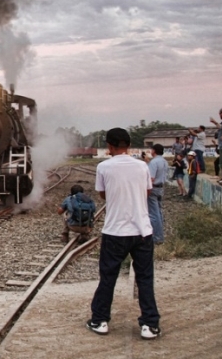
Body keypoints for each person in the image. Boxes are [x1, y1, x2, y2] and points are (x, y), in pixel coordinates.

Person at [87, 127, 160, 340]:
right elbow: (147, 191)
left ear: (109, 146)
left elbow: (103, 194)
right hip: (142, 230)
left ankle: (100, 320)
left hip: (115, 231)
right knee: (145, 278)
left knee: (108, 277)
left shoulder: (103, 167)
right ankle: (149, 324)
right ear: (128, 145)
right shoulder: (142, 166)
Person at [147, 144, 168, 245]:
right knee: (158, 212)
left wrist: (147, 190)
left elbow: (151, 178)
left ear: (154, 151)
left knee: (153, 214)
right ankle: (160, 233)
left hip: (154, 188)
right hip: (161, 188)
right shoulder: (164, 161)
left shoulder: (154, 162)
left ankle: (157, 237)